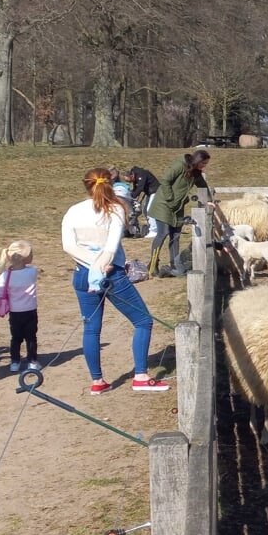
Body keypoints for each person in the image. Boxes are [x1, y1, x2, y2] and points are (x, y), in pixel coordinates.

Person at [62, 168, 169, 394]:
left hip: (82, 274)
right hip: (112, 275)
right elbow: (110, 248)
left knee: (91, 330)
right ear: (112, 184)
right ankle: (140, 375)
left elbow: (69, 246)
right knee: (143, 321)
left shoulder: (73, 211)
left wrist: (91, 262)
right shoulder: (116, 210)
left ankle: (97, 381)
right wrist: (100, 264)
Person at [149, 149, 210, 277]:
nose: (204, 166)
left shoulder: (196, 173)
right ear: (197, 160)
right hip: (164, 204)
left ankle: (175, 264)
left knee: (176, 235)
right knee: (163, 233)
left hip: (177, 208)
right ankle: (153, 264)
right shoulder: (180, 165)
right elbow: (165, 180)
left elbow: (203, 186)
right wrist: (170, 198)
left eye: (205, 164)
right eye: (203, 163)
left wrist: (208, 201)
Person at [0, 240, 40, 372]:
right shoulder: (32, 272)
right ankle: (32, 361)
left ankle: (14, 362)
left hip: (14, 312)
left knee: (15, 338)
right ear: (24, 258)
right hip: (30, 311)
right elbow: (32, 268)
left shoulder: (5, 276)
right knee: (31, 337)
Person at [121, 166, 160, 238]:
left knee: (150, 210)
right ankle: (154, 227)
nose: (130, 183)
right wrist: (134, 196)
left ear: (131, 176)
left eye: (129, 181)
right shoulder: (135, 177)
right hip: (150, 193)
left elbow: (140, 188)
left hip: (156, 192)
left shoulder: (141, 174)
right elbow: (136, 188)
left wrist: (130, 196)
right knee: (145, 210)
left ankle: (154, 231)